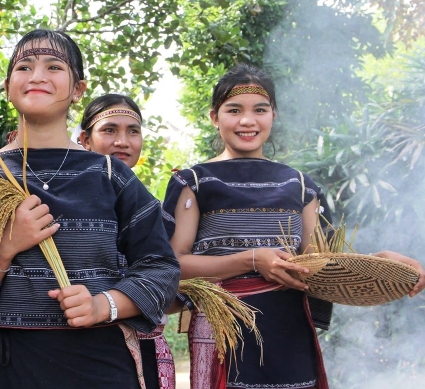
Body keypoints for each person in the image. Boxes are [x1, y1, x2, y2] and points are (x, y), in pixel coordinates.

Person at [0, 29, 180, 389]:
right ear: (8, 87)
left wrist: (105, 305)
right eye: (25, 67)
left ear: (78, 89)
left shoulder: (111, 175)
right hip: (11, 364)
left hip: (104, 362)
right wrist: (5, 247)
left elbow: (162, 270)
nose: (37, 76)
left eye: (54, 66)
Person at [161, 63, 425, 389]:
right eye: (234, 110)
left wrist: (379, 262)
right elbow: (173, 265)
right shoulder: (194, 181)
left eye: (260, 109)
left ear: (274, 115)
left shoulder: (300, 185)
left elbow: (318, 266)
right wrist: (251, 260)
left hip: (289, 330)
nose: (247, 120)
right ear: (215, 117)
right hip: (223, 331)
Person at [78, 94, 176, 389]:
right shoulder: (71, 203)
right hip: (85, 345)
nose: (123, 141)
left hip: (146, 343)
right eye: (110, 130)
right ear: (85, 139)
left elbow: (164, 271)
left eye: (133, 131)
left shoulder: (151, 207)